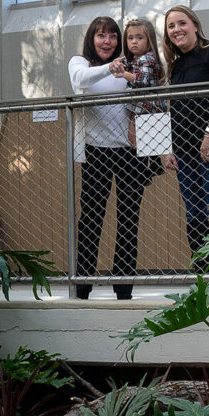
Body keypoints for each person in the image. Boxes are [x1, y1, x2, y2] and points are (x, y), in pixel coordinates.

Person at [68, 16, 149, 301]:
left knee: (128, 220)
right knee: (90, 219)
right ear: (92, 38)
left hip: (130, 153)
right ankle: (83, 285)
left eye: (113, 36)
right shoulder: (81, 62)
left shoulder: (132, 66)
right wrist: (109, 68)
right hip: (95, 152)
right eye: (101, 36)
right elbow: (80, 80)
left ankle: (123, 288)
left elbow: (149, 93)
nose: (107, 42)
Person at [161, 5, 209, 270]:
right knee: (194, 211)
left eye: (181, 23)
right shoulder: (176, 64)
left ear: (194, 24)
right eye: (171, 26)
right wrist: (167, 147)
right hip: (183, 150)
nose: (176, 30)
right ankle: (202, 270)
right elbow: (174, 108)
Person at [120, 18, 168, 175]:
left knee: (137, 137)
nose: (134, 42)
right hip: (141, 104)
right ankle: (154, 164)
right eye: (130, 38)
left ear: (149, 41)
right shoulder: (136, 59)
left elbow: (141, 80)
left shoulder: (147, 58)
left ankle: (144, 169)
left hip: (146, 105)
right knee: (144, 138)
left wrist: (123, 74)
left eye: (140, 38)